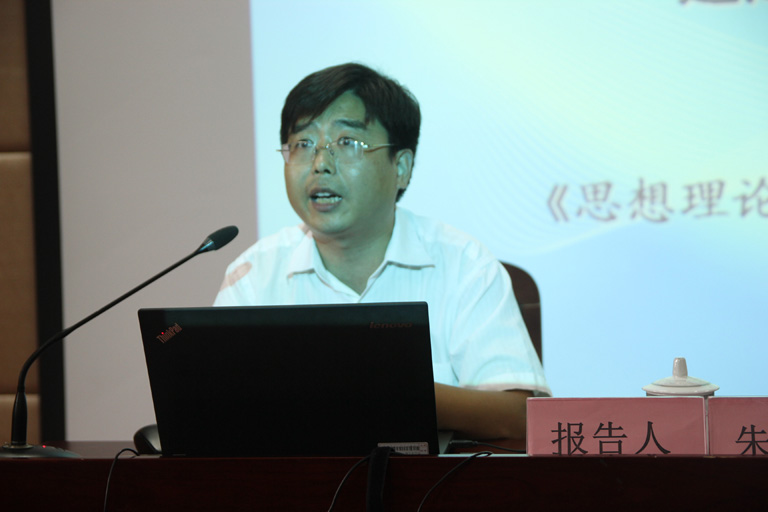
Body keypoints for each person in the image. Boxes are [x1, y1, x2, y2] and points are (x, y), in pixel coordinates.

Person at [214, 63, 550, 440]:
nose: (320, 164)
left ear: (401, 167)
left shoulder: (465, 265)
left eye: (347, 143)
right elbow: (213, 413)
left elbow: (519, 417)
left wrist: (384, 392)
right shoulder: (253, 276)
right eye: (303, 144)